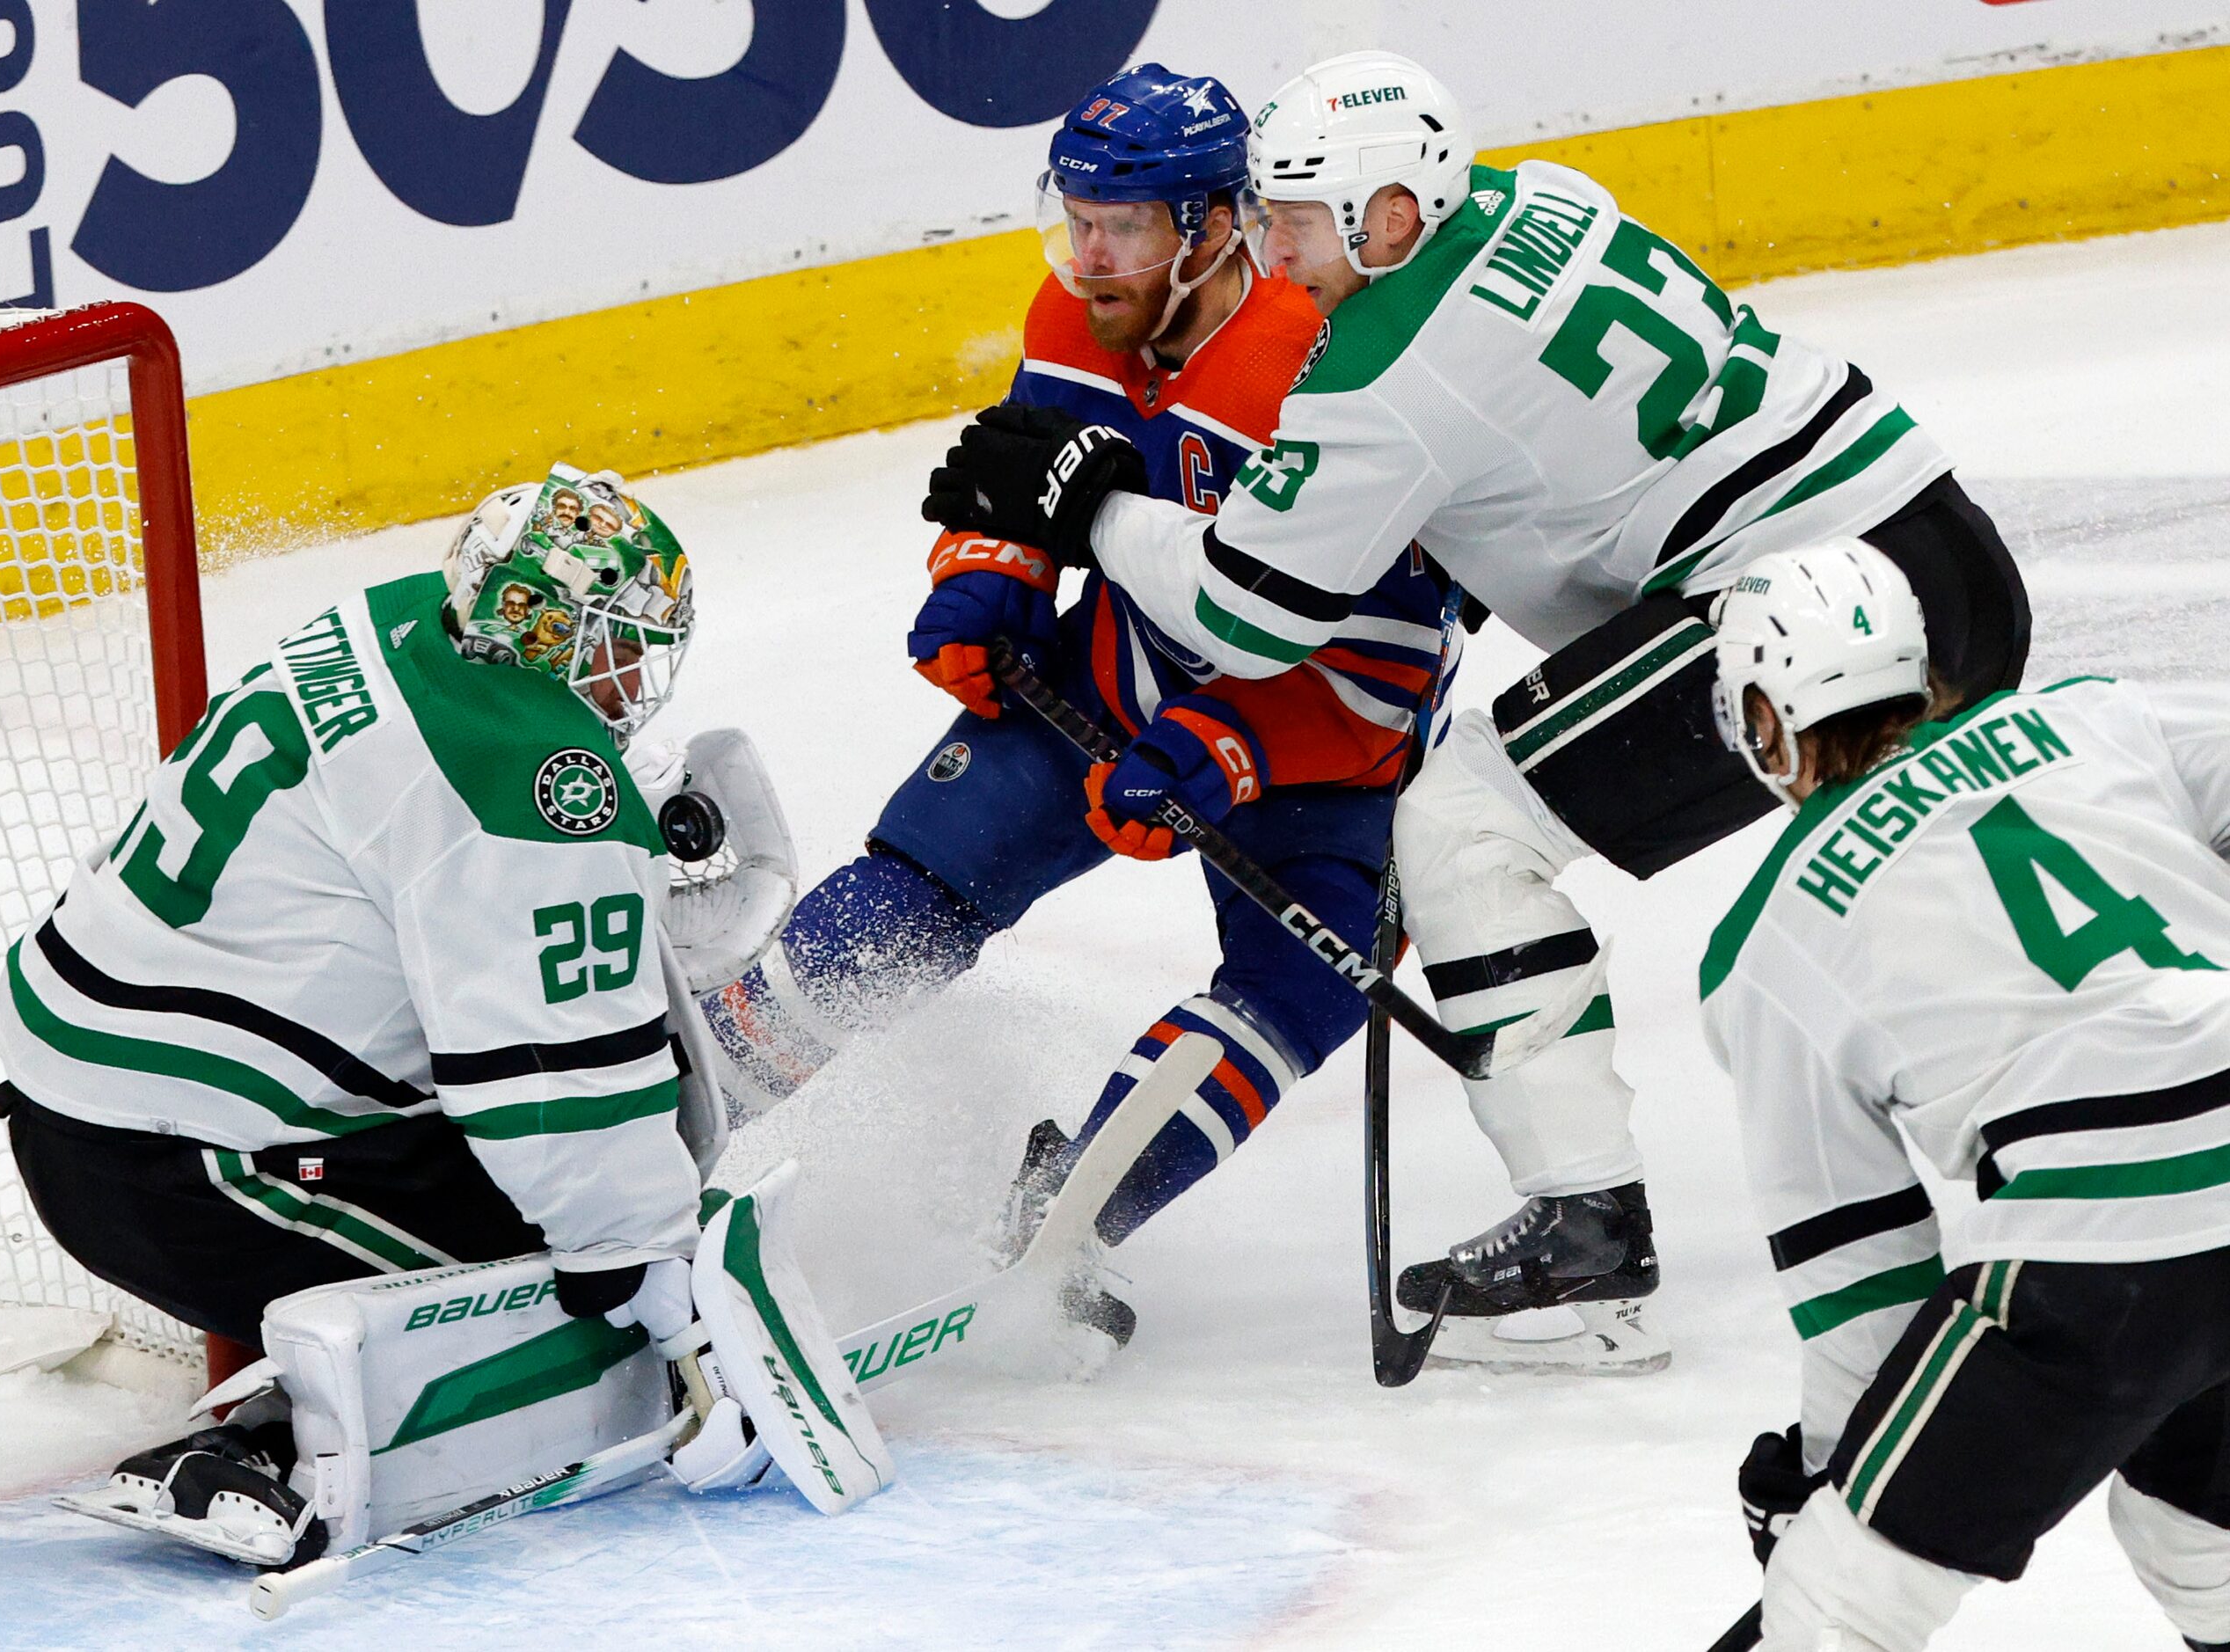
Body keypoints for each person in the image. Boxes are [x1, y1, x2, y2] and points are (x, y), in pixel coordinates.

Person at [920, 48, 2031, 1370]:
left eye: (1292, 221)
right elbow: (1551, 458)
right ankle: (2091, 1112)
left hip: (1788, 602)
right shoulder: (1540, 197)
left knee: (1456, 829)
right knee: (1918, 858)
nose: (1274, 257)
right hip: (1942, 552)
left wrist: (1093, 506)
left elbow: (1246, 613)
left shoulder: (1385, 372)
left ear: (1390, 216)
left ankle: (1585, 1235)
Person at [701, 62, 1460, 1341]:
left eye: (1121, 226)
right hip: (1107, 676)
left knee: (1303, 986)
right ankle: (680, 1111)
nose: (1086, 254)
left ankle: (1063, 1217)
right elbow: (1023, 472)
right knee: (910, 897)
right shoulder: (1080, 308)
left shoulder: (1326, 370)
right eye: (1076, 216)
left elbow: (1395, 650)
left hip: (1316, 740)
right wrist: (986, 582)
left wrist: (1229, 743)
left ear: (1213, 229)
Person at [0, 465, 807, 1562]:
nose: (627, 676)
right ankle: (272, 1441)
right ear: (549, 633)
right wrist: (665, 1299)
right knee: (565, 1270)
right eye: (612, 642)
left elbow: (412, 837)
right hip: (193, 1174)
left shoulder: (390, 617)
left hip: (82, 1089)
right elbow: (553, 1095)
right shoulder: (524, 784)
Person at [1700, 540, 2230, 1651]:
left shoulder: (1768, 943)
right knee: (2200, 1529)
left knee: (1836, 1607)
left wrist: (1827, 1490)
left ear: (1760, 719)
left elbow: (1862, 1276)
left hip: (2104, 1248)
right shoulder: (2094, 717)